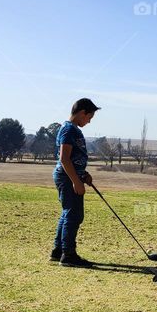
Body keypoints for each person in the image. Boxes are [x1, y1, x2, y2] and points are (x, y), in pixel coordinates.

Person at [51, 98, 100, 267]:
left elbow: (73, 158)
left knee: (68, 213)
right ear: (82, 113)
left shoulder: (72, 129)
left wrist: (83, 175)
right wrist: (75, 181)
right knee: (74, 214)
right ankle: (69, 255)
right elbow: (64, 159)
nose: (89, 120)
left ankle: (58, 251)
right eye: (89, 117)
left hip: (72, 176)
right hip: (67, 177)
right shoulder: (68, 130)